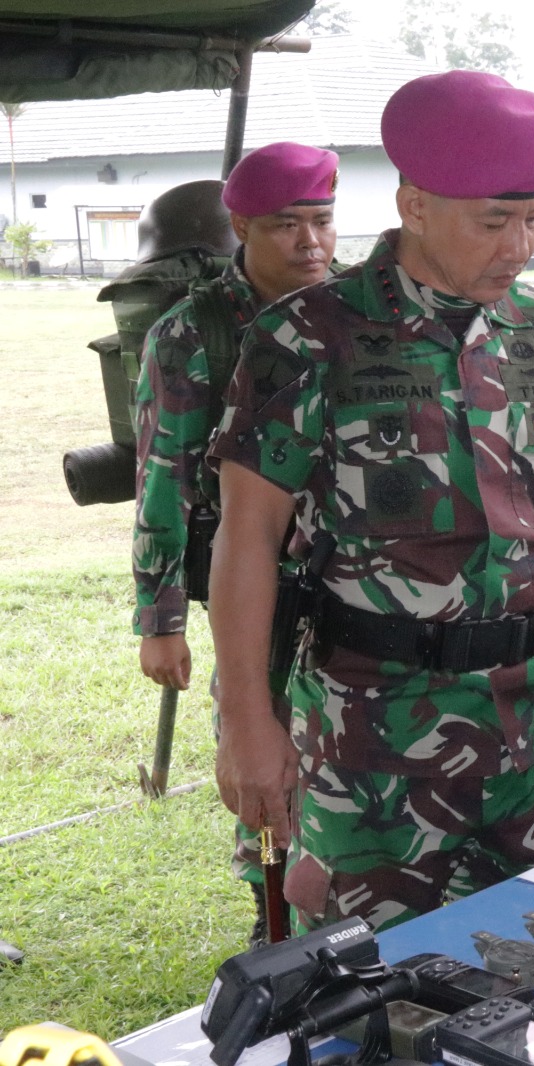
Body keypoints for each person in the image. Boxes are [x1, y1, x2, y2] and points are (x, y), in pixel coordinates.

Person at [206, 70, 534, 934]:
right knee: (374, 989)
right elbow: (247, 539)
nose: (521, 244)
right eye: (494, 221)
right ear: (413, 203)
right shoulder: (306, 337)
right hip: (373, 740)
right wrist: (248, 726)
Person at [131, 141, 338, 940]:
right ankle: (273, 916)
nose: (311, 243)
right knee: (262, 745)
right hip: (254, 587)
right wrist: (160, 619)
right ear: (242, 227)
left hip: (357, 580)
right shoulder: (194, 335)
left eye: (322, 221)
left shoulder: (355, 311)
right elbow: (162, 481)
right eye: (287, 225)